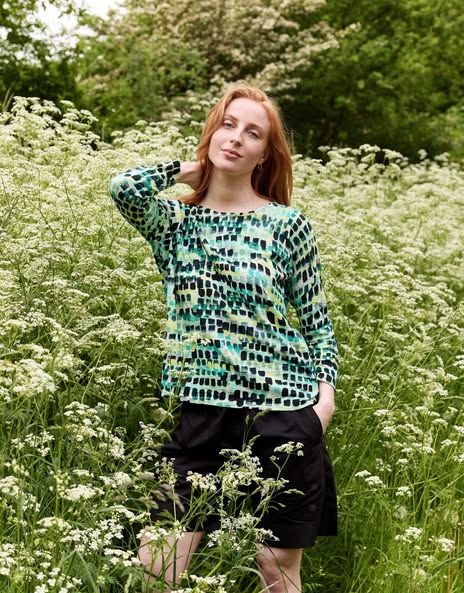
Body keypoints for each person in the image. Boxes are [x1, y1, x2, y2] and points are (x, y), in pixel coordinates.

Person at [108, 85, 339, 593]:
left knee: (277, 571)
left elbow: (318, 324)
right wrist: (190, 170)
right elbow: (123, 187)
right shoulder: (175, 223)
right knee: (156, 569)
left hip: (283, 413)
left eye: (252, 133)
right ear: (211, 133)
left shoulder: (287, 225)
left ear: (265, 154)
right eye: (228, 125)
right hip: (199, 414)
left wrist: (322, 405)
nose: (236, 138)